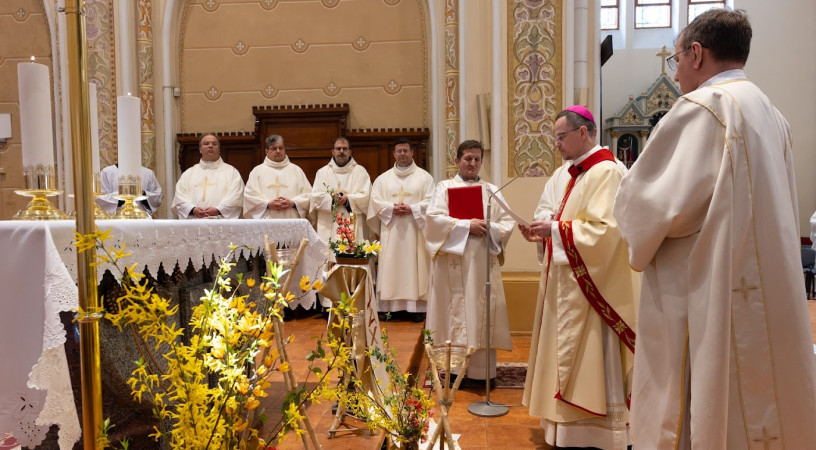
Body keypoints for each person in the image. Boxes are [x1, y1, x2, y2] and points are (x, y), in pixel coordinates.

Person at [613, 9, 816, 449]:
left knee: (701, 410)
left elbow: (643, 209)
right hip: (770, 293)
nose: (679, 69)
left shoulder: (704, 108)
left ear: (697, 53)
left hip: (707, 295)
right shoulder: (771, 114)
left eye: (678, 58)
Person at [520, 106, 638, 450]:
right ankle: (561, 428)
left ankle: (596, 433)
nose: (556, 144)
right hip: (562, 282)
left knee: (590, 357)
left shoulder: (608, 172)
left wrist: (555, 230)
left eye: (561, 137)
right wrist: (540, 229)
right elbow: (547, 208)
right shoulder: (565, 173)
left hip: (592, 290)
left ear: (583, 133)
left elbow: (607, 232)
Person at [424, 140, 515, 382]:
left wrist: (488, 227)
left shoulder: (492, 190)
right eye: (467, 159)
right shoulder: (444, 188)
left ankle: (483, 374)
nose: (472, 163)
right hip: (453, 264)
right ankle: (455, 372)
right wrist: (467, 226)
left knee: (481, 313)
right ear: (457, 161)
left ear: (481, 162)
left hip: (481, 265)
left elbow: (507, 223)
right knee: (455, 315)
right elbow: (433, 221)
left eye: (477, 159)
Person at [367, 138, 434, 317]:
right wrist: (391, 208)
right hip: (392, 230)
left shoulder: (425, 178)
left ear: (412, 152)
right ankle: (389, 308)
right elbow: (375, 201)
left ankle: (417, 308)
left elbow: (432, 201)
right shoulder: (383, 179)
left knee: (415, 264)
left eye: (405, 151)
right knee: (391, 265)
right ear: (393, 154)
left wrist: (412, 208)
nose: (402, 154)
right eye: (399, 151)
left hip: (415, 231)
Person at [310, 137, 372, 248]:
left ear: (350, 151)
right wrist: (332, 200)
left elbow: (367, 197)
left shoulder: (360, 171)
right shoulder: (323, 172)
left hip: (352, 223)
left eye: (345, 149)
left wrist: (348, 199)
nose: (341, 152)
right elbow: (315, 198)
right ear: (332, 151)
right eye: (338, 149)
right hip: (328, 225)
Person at [171, 133, 245, 219]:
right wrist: (193, 210)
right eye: (206, 144)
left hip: (221, 224)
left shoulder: (231, 172)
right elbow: (180, 197)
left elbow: (236, 197)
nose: (210, 146)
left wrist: (218, 210)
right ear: (200, 149)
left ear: (219, 149)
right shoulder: (189, 173)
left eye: (214, 144)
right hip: (194, 223)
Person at [243, 134, 311, 220]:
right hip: (266, 220)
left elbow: (308, 195)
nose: (278, 151)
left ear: (284, 150)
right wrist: (267, 204)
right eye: (274, 148)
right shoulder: (257, 172)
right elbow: (249, 197)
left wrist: (293, 203)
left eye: (281, 148)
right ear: (266, 151)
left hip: (291, 220)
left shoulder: (296, 170)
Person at [96, 164, 163, 216]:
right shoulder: (107, 172)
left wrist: (143, 193)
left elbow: (157, 195)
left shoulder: (147, 173)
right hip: (116, 219)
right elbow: (100, 197)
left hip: (141, 218)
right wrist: (122, 196)